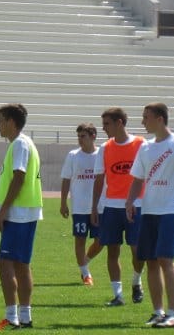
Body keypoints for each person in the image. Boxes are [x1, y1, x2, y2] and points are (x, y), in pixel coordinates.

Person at [126, 103, 174, 329]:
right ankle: (158, 312)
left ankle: (173, 314)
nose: (142, 122)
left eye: (146, 117)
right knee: (150, 260)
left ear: (159, 119)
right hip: (149, 210)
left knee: (165, 259)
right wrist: (130, 202)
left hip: (171, 210)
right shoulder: (145, 147)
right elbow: (138, 179)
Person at [0, 104, 43, 331]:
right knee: (21, 265)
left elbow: (18, 177)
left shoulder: (20, 143)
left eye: (0, 120)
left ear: (11, 122)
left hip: (18, 213)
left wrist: (3, 211)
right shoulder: (24, 143)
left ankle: (12, 316)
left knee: (4, 263)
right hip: (27, 211)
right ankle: (25, 316)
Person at [91, 107, 146, 306]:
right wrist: (94, 207)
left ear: (119, 123)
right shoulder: (105, 148)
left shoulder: (141, 144)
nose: (103, 128)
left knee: (137, 250)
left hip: (137, 205)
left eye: (107, 124)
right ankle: (118, 295)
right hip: (111, 206)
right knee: (112, 250)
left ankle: (136, 282)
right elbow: (99, 179)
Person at [59, 123, 103, 286]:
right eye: (78, 136)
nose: (80, 139)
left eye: (83, 136)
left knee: (101, 241)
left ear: (93, 136)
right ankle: (86, 274)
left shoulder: (102, 154)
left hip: (99, 207)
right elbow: (66, 179)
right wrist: (63, 203)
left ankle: (84, 261)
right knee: (80, 240)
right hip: (79, 207)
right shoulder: (73, 155)